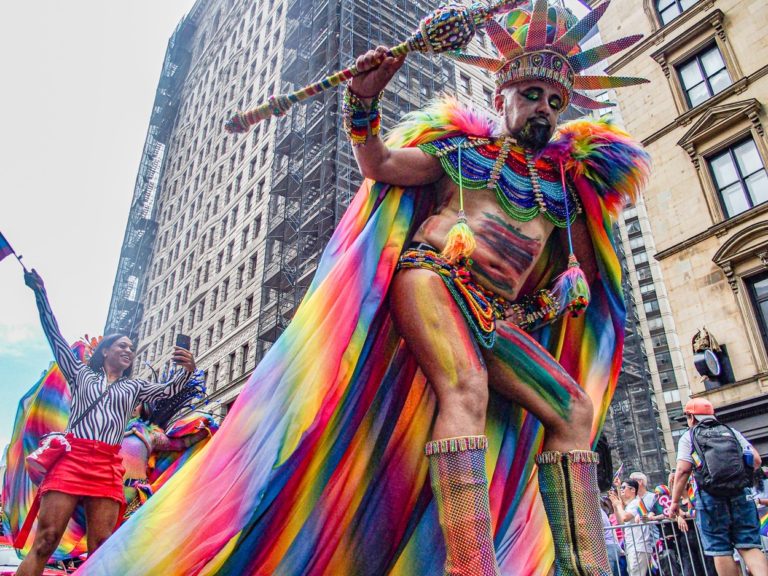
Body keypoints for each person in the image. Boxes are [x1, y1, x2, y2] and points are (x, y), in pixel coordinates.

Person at [77, 4, 650, 575]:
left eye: (555, 102)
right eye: (531, 94)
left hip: (499, 317)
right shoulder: (461, 152)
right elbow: (378, 164)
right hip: (434, 279)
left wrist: (558, 295)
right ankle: (472, 568)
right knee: (466, 389)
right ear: (500, 95)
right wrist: (365, 100)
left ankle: (586, 569)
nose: (543, 111)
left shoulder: (566, 190)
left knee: (572, 410)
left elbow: (584, 276)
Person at [16, 269, 198, 576]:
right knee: (46, 540)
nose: (128, 350)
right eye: (122, 346)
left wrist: (187, 371)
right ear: (104, 352)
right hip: (71, 460)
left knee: (102, 548)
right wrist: (40, 294)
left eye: (131, 348)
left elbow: (169, 390)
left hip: (106, 467)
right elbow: (53, 335)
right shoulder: (80, 373)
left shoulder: (135, 387)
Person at [669, 398, 768, 576]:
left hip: (710, 497)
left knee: (720, 549)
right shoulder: (731, 432)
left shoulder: (689, 436)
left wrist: (674, 502)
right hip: (740, 493)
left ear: (691, 417)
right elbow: (757, 461)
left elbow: (683, 470)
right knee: (749, 545)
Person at [610, 480, 655, 576]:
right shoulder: (630, 505)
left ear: (633, 490)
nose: (621, 490)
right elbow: (621, 522)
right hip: (632, 547)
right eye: (621, 488)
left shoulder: (637, 502)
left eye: (623, 488)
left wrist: (618, 505)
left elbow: (625, 517)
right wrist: (615, 507)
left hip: (639, 547)